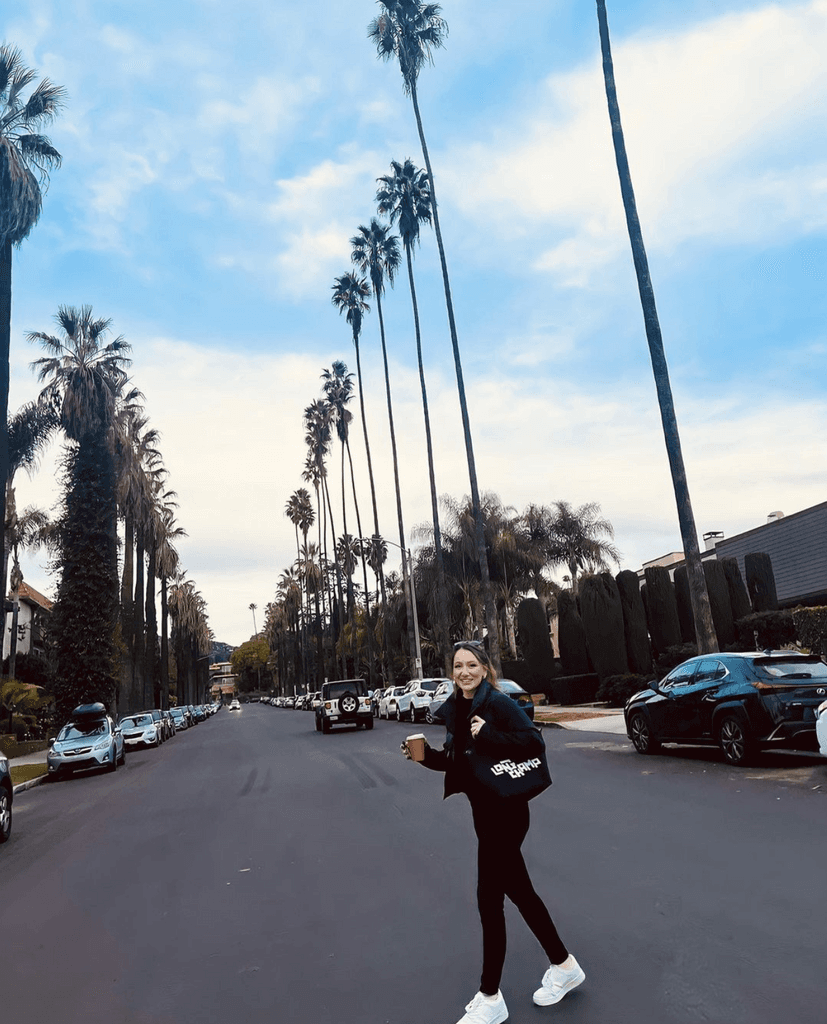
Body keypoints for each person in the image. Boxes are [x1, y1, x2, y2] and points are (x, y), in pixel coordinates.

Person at [401, 640, 585, 1024]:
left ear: (485, 669)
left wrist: (491, 735)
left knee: (489, 900)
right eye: (457, 666)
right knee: (520, 893)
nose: (464, 672)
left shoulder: (499, 704)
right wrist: (424, 758)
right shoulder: (457, 708)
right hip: (484, 814)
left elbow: (534, 743)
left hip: (508, 812)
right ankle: (564, 966)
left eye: (471, 665)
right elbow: (459, 762)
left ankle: (490, 997)